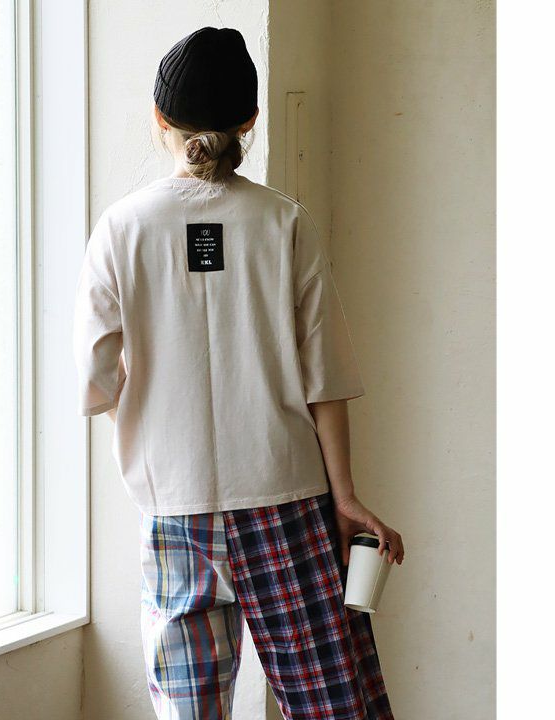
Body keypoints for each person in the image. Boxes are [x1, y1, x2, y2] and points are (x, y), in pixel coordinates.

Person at [73, 25, 405, 720]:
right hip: (287, 498)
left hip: (175, 508)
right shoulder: (285, 223)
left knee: (189, 710)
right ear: (250, 121)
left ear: (160, 117)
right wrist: (345, 495)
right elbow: (325, 378)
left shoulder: (120, 228)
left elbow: (97, 384)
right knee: (331, 703)